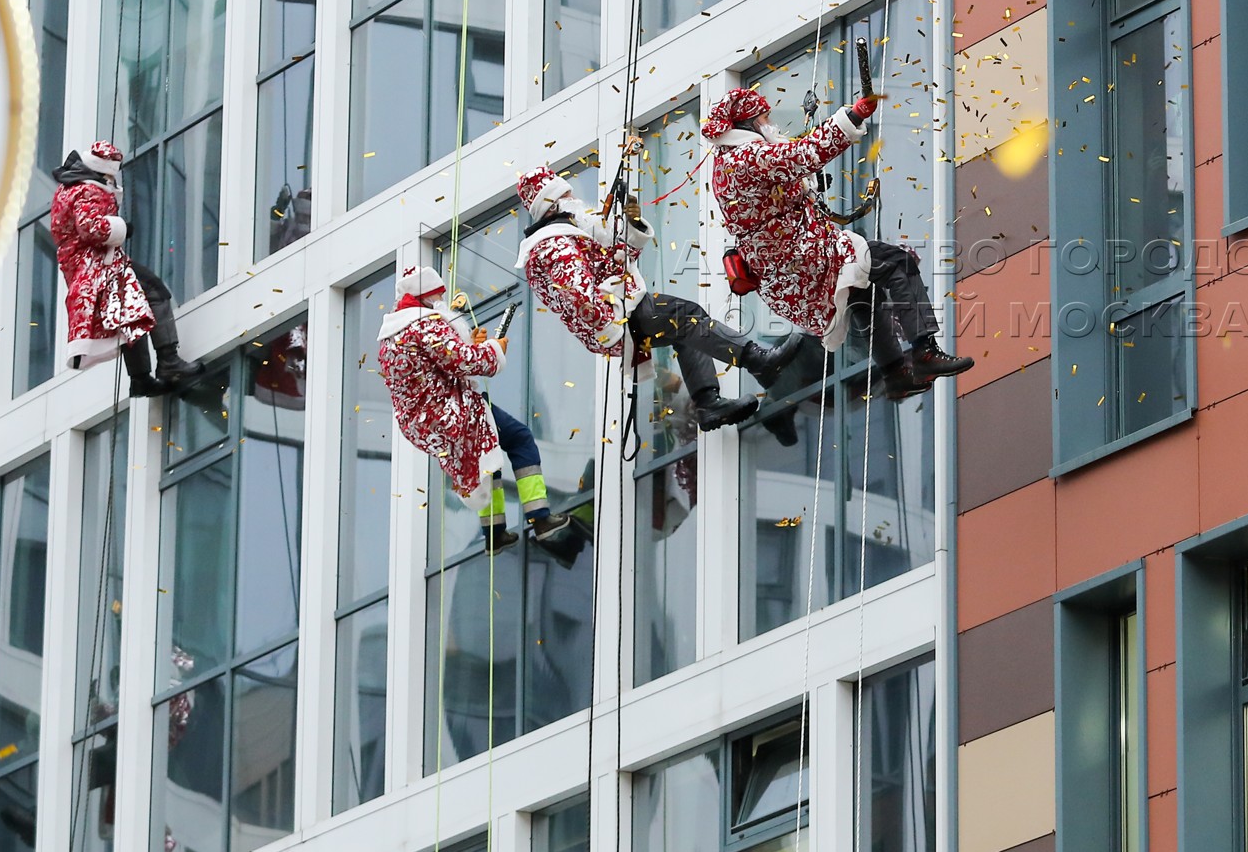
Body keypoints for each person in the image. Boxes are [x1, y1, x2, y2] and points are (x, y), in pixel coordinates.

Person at [702, 86, 971, 397]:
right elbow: (803, 155)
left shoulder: (728, 161)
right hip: (804, 258)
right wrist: (852, 116)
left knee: (862, 292)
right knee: (897, 261)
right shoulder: (746, 156)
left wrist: (806, 185)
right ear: (748, 122)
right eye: (764, 117)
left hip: (785, 273)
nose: (769, 122)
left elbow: (775, 191)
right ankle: (924, 351)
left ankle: (896, 373)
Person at [514, 166, 804, 431]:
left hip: (620, 311)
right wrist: (613, 326)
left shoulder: (566, 235)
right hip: (621, 313)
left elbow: (618, 261)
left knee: (687, 328)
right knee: (688, 317)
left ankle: (709, 404)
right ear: (552, 204)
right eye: (566, 194)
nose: (574, 198)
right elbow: (579, 296)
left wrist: (632, 224)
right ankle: (757, 362)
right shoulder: (551, 243)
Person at [377, 265, 570, 555]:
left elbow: (434, 364)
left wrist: (469, 344)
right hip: (455, 411)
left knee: (484, 457)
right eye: (437, 296)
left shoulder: (393, 335)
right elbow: (465, 362)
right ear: (426, 296)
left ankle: (494, 533)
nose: (441, 301)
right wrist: (494, 348)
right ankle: (540, 517)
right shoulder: (424, 324)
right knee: (519, 438)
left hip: (426, 423)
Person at [50, 141, 203, 397]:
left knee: (127, 311)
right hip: (97, 264)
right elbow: (90, 227)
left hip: (86, 265)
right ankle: (168, 360)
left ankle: (141, 378)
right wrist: (120, 228)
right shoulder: (88, 189)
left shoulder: (72, 187)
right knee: (153, 291)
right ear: (103, 170)